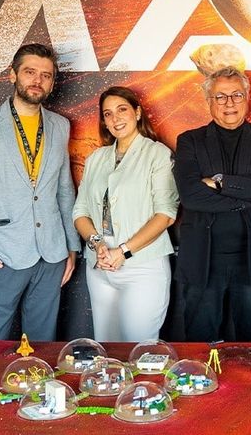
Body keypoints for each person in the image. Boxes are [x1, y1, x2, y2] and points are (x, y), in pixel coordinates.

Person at [0, 43, 79, 359]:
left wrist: (71, 247)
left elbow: (64, 191)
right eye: (30, 72)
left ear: (52, 82)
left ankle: (36, 393)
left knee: (42, 349)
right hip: (1, 254)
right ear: (13, 74)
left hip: (52, 253)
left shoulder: (60, 125)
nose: (38, 80)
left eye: (46, 75)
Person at [173, 66, 251, 342]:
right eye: (220, 97)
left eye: (236, 95)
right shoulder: (189, 140)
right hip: (203, 259)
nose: (229, 103)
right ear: (208, 101)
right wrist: (249, 191)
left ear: (247, 98)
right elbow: (190, 195)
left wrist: (219, 182)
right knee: (200, 344)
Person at [72, 86, 179, 341]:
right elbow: (80, 211)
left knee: (138, 347)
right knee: (106, 346)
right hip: (100, 265)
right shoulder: (96, 158)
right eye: (108, 114)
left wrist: (123, 251)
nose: (115, 118)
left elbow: (165, 214)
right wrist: (97, 244)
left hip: (143, 266)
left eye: (122, 109)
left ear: (137, 113)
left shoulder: (157, 153)